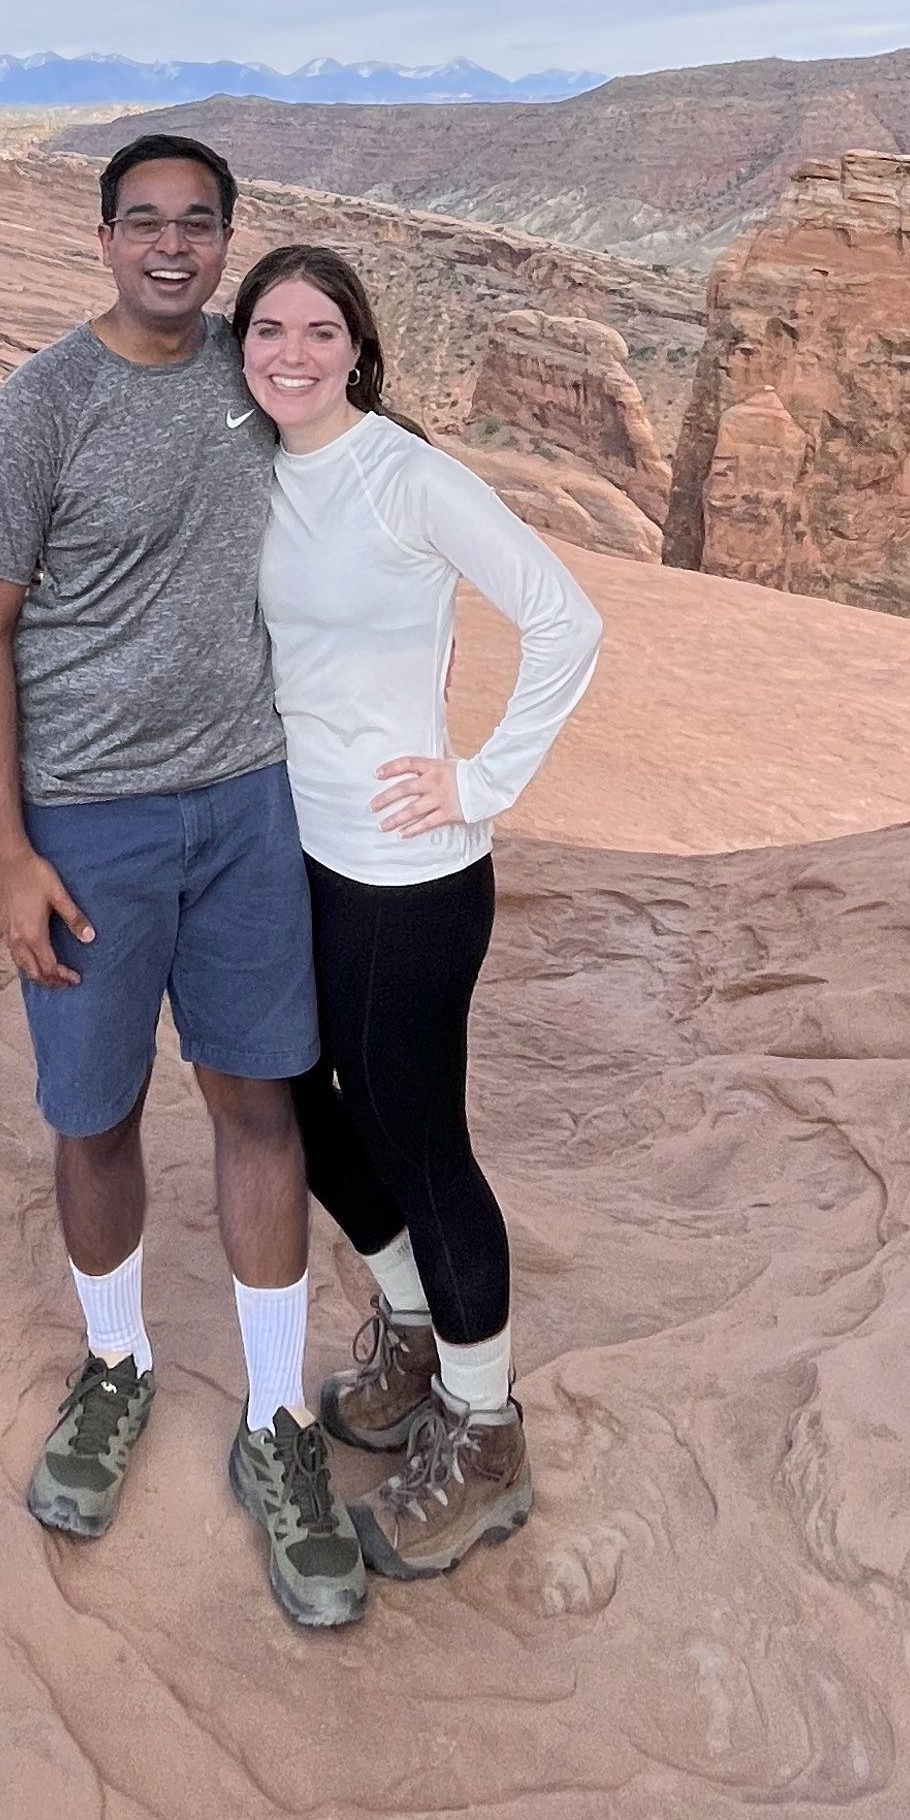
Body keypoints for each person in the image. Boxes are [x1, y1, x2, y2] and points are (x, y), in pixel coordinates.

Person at [0, 134, 368, 1634]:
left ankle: (275, 1426)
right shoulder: (41, 408)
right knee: (98, 1112)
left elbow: (372, 508)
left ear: (228, 238)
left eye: (201, 226)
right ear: (106, 238)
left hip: (248, 806)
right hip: (95, 823)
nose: (175, 249)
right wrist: (11, 852)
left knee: (261, 1101)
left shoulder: (258, 385)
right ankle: (117, 1366)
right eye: (147, 224)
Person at [231, 241, 602, 1581]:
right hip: (299, 854)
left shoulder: (407, 477)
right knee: (299, 1098)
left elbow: (568, 620)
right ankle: (404, 1321)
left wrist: (480, 777)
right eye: (268, 329)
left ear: (359, 347)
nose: (291, 352)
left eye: (317, 330)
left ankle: (487, 1428)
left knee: (416, 1136)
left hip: (409, 874)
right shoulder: (260, 475)